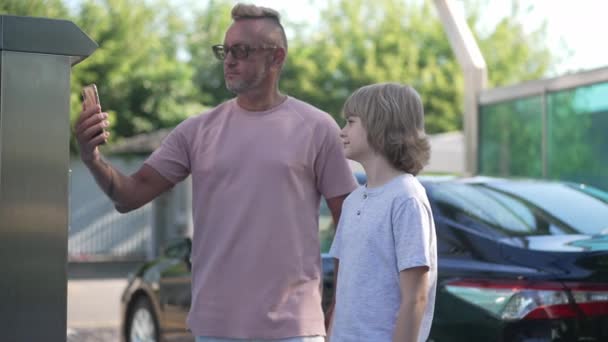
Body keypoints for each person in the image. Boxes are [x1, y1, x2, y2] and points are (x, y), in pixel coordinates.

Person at [74, 3, 357, 341]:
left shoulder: (317, 128)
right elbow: (129, 195)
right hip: (214, 328)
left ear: (276, 58)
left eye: (242, 50)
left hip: (293, 330)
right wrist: (92, 158)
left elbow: (350, 221)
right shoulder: (196, 131)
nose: (229, 60)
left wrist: (342, 303)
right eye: (225, 50)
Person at [327, 83, 437, 342]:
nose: (341, 132)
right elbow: (343, 295)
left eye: (350, 122)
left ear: (380, 125)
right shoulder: (353, 201)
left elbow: (415, 298)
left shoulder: (406, 198)